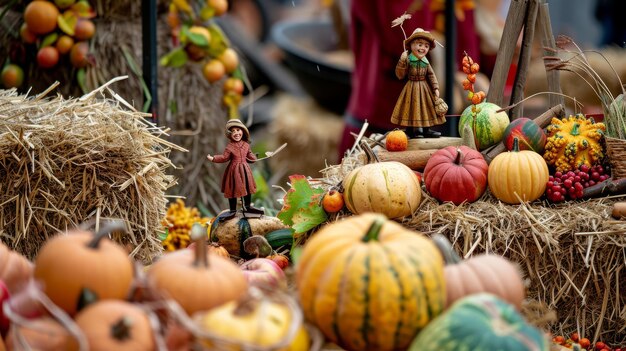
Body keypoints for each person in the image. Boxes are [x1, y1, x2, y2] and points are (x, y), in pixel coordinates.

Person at [391, 28, 447, 138]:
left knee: (426, 108)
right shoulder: (408, 59)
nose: (423, 48)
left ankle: (426, 130)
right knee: (410, 108)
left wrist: (435, 87)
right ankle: (411, 130)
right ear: (411, 45)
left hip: (425, 88)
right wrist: (402, 62)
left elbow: (431, 75)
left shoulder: (425, 62)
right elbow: (400, 75)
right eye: (420, 44)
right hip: (411, 87)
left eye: (426, 46)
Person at [207, 119, 264, 219]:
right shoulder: (230, 147)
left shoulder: (246, 145)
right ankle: (232, 210)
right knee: (232, 189)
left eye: (238, 130)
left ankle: (247, 207)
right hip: (234, 171)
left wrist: (255, 157)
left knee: (247, 188)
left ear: (243, 130)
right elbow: (224, 157)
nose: (236, 133)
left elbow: (250, 156)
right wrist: (213, 158)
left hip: (245, 170)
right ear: (229, 134)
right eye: (233, 131)